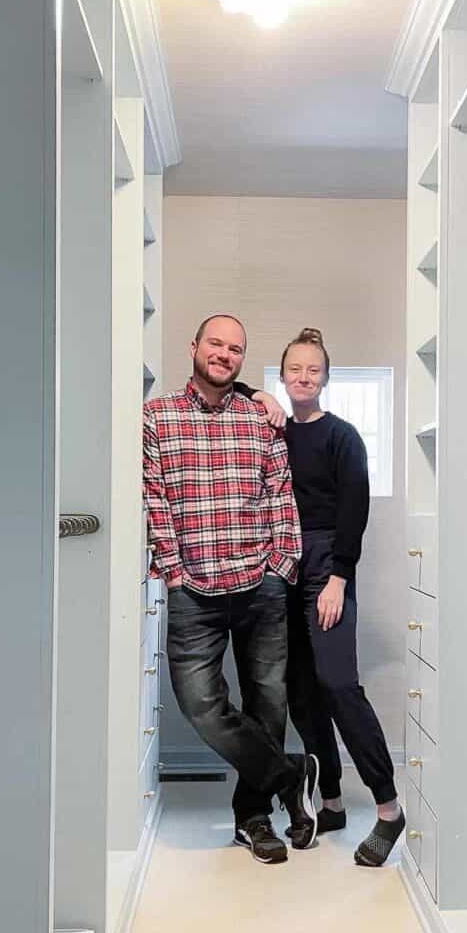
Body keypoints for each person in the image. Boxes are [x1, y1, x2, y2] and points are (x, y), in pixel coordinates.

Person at [142, 313, 318, 865]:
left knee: (268, 702)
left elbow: (280, 494)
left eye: (235, 348)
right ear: (194, 347)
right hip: (194, 588)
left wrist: (281, 566)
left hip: (259, 586)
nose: (224, 354)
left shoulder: (261, 419)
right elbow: (155, 499)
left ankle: (254, 819)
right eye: (215, 344)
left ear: (243, 359)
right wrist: (174, 571)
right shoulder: (157, 418)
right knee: (202, 706)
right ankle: (291, 773)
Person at [235, 328, 404, 867]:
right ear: (281, 377)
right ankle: (329, 802)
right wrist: (253, 395)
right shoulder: (273, 427)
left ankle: (388, 810)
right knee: (301, 692)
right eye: (294, 370)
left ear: (325, 379)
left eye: (313, 370)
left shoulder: (342, 436)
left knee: (338, 685)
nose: (303, 378)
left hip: (325, 565)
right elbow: (221, 387)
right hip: (279, 563)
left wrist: (338, 577)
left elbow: (356, 511)